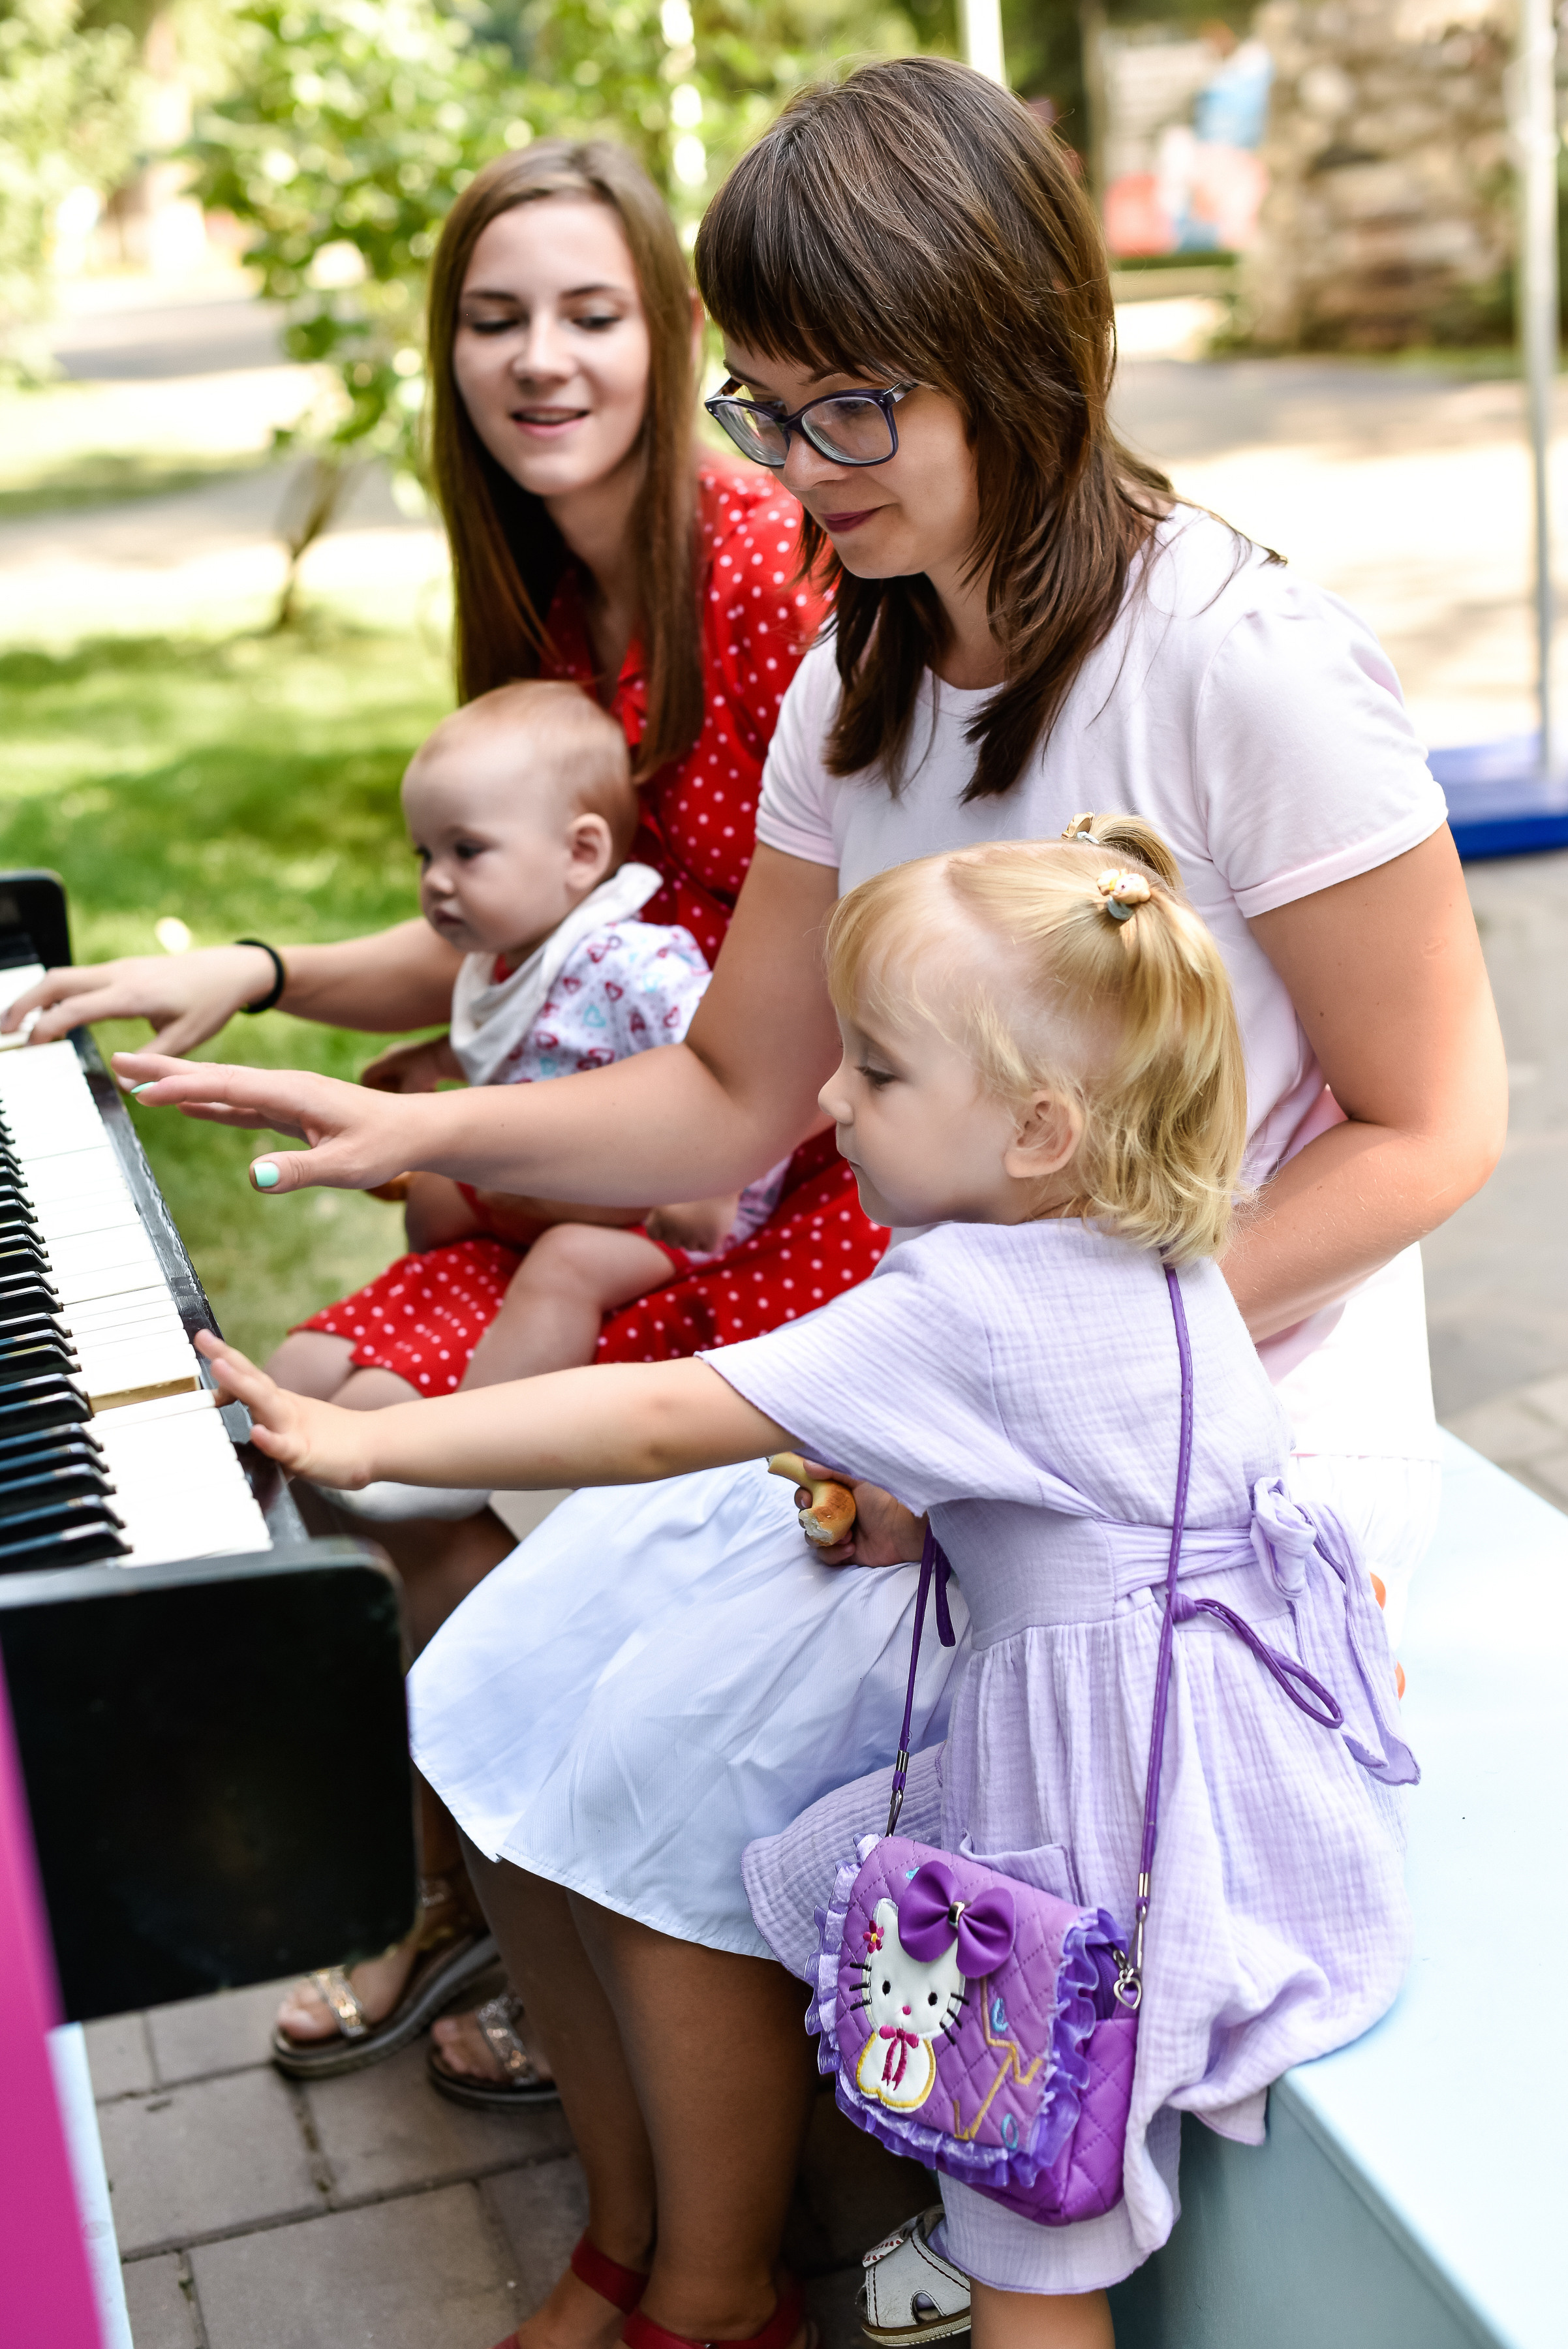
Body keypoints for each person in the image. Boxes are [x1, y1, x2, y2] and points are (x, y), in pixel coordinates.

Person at [106, 56, 1504, 2349]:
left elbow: (1434, 1128)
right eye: (762, 413)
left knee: (660, 1745)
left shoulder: (1243, 663)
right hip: (943, 1423)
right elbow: (736, 1094)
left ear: (1018, 360)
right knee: (511, 1681)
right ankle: (658, 2254)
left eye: (839, 412)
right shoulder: (863, 686)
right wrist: (415, 1127)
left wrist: (1041, 1395)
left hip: (1206, 1472)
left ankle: (706, 2283)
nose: (789, 472)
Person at [193, 829, 1416, 2349]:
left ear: (1037, 1127)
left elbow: (651, 1419)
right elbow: (1116, 1490)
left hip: (1092, 1824)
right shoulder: (1159, 1243)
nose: (828, 1103)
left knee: (1033, 2235)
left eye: (878, 1074)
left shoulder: (963, 1299)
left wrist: (361, 1438)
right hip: (1231, 1766)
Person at [8, 134, 844, 2079]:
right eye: (492, 320)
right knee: (307, 1412)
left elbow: (761, 1062)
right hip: (601, 1152)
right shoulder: (556, 595)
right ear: (447, 352)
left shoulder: (757, 574)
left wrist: (436, 1128)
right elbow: (507, 928)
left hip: (754, 1193)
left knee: (367, 1451)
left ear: (667, 330)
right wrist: (265, 972)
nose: (538, 360)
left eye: (588, 314)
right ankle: (479, 1875)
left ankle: (504, 1879)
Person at [281, 677, 788, 1524]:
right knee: (442, 1192)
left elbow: (728, 1056)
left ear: (581, 855)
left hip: (687, 1207)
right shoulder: (510, 956)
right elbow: (536, 1041)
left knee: (568, 1264)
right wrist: (432, 1055)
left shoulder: (634, 956)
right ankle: (436, 1300)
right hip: (577, 1179)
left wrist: (709, 1187)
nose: (436, 881)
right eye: (424, 856)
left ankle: (469, 1449)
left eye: (466, 851)